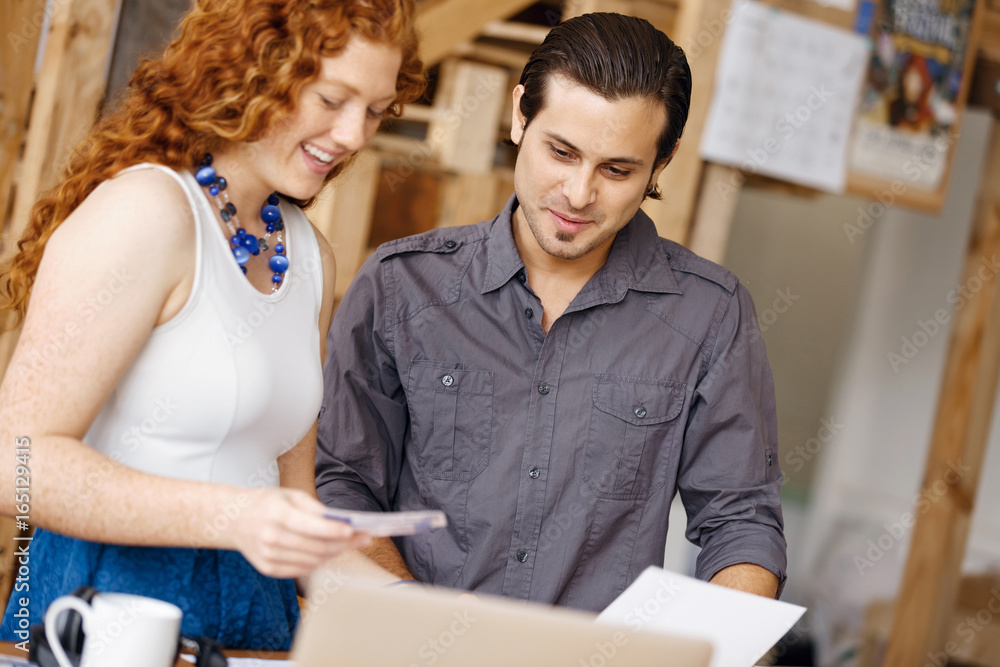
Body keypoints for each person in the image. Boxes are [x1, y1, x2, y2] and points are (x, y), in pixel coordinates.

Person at [315, 12, 786, 612]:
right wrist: (413, 620)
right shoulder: (401, 287)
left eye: (617, 169)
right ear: (519, 115)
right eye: (561, 152)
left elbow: (741, 520)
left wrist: (718, 642)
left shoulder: (709, 315)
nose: (579, 193)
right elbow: (341, 484)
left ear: (658, 167)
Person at [0, 0, 423, 649]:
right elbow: (15, 463)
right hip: (109, 610)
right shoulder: (148, 213)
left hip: (257, 622)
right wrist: (236, 515)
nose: (352, 135)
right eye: (332, 98)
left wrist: (425, 616)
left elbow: (293, 513)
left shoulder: (312, 256)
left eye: (374, 110)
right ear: (253, 69)